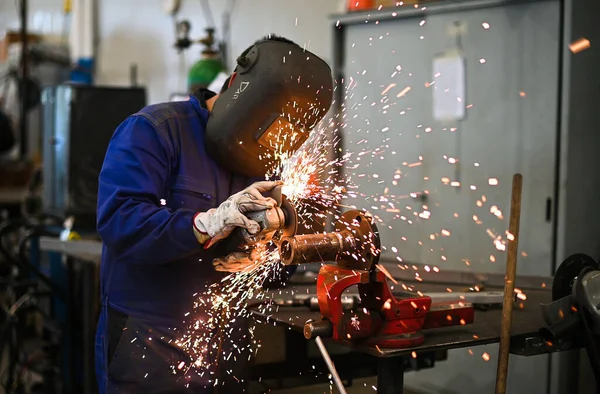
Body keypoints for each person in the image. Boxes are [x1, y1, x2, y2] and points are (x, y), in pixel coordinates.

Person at [94, 34, 333, 393]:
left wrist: (267, 248)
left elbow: (277, 269)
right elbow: (120, 221)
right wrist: (206, 225)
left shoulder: (266, 160)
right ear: (237, 83)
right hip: (148, 340)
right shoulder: (155, 131)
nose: (270, 137)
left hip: (225, 338)